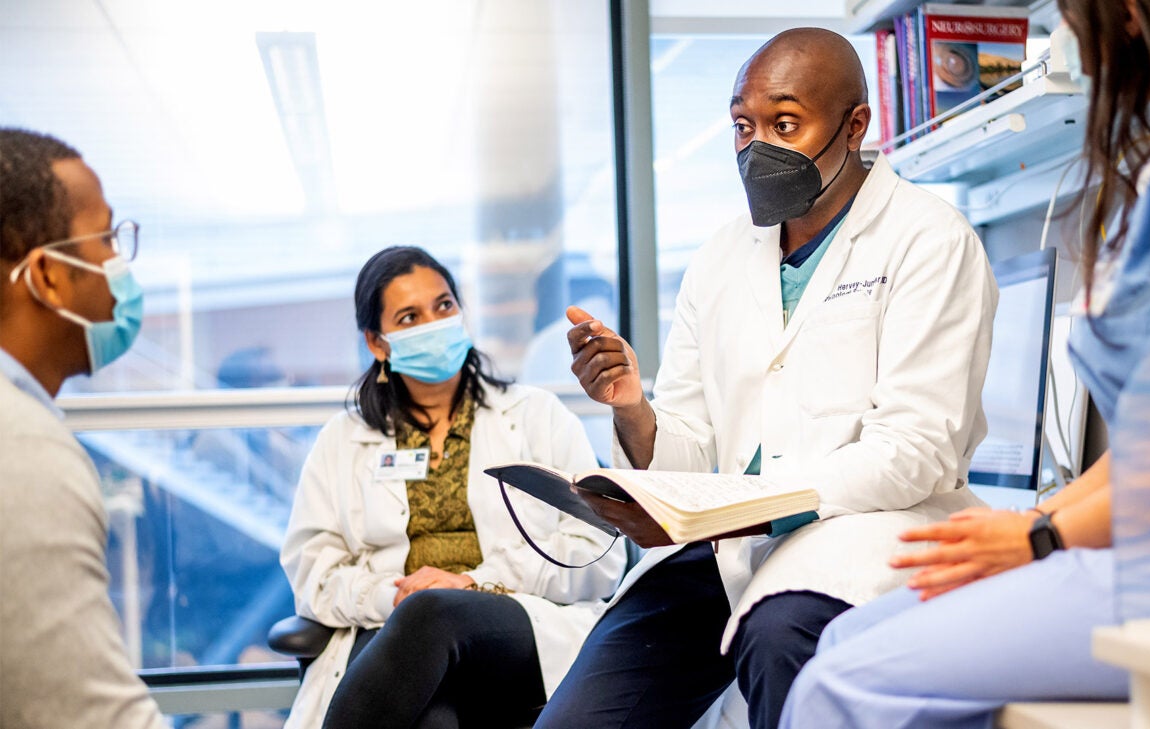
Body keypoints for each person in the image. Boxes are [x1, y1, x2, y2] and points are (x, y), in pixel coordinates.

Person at [779, 1, 1150, 726]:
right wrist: (1044, 516)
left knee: (836, 683)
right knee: (844, 635)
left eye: (1070, 13)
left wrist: (1041, 539)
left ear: (1131, 13)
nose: (1064, 34)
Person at [537, 27, 997, 729]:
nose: (758, 149)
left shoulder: (929, 239)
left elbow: (916, 448)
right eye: (743, 127)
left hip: (859, 536)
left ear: (854, 125)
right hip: (724, 550)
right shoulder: (721, 257)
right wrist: (632, 408)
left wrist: (757, 506)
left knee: (780, 635)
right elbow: (692, 447)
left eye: (785, 124)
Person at [280, 246, 625, 729]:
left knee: (434, 613)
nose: (434, 323)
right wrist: (392, 597)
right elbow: (313, 574)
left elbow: (598, 556)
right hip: (388, 632)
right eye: (409, 316)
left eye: (443, 306)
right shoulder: (343, 441)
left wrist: (472, 583)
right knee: (432, 717)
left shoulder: (536, 416)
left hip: (513, 625)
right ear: (378, 344)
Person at [0, 129, 166, 727]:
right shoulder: (22, 451)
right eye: (105, 238)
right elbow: (86, 716)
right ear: (47, 277)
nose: (119, 263)